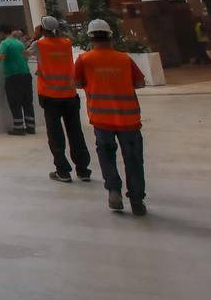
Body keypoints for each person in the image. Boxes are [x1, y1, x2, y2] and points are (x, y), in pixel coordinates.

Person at [74, 18, 147, 216]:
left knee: (106, 155)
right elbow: (140, 83)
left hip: (101, 118)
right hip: (129, 119)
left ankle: (114, 190)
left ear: (90, 38)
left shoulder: (84, 60)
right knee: (133, 159)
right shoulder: (124, 59)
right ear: (110, 36)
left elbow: (78, 83)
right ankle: (138, 200)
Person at [28, 16, 91, 183]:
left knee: (55, 134)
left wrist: (35, 37)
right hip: (70, 94)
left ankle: (62, 170)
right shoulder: (66, 43)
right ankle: (83, 169)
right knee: (75, 132)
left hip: (50, 95)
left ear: (42, 29)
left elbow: (25, 54)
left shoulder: (39, 44)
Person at [0, 23, 36, 135]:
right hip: (26, 74)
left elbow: (0, 57)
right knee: (27, 102)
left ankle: (19, 128)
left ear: (1, 33)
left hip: (13, 76)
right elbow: (26, 56)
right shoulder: (19, 43)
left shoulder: (5, 43)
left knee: (15, 102)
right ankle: (31, 127)